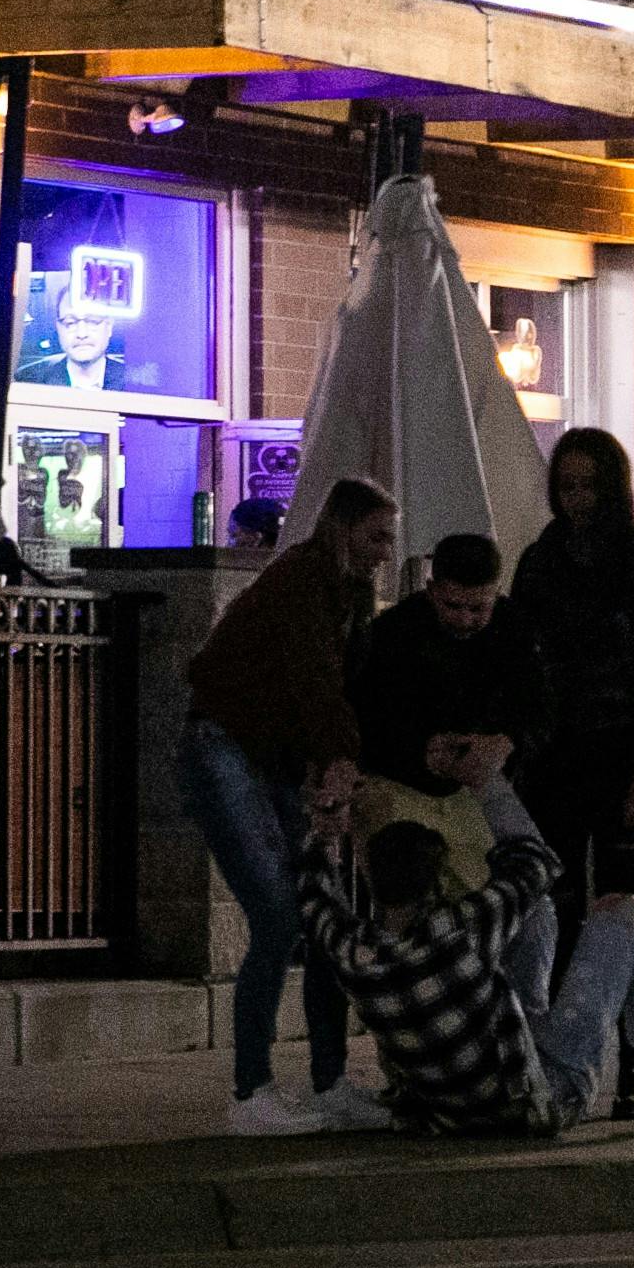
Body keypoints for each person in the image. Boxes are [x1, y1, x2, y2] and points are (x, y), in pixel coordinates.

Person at [180, 476, 399, 1136]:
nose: (386, 550)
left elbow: (345, 689)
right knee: (278, 917)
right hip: (225, 745)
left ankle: (330, 1082)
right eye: (377, 536)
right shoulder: (302, 584)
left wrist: (338, 770)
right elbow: (314, 684)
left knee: (318, 912)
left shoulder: (348, 595)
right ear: (342, 528)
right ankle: (251, 1091)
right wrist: (335, 765)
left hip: (269, 757)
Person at [295, 798, 634, 1136]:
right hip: (542, 1100)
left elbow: (313, 895)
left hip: (448, 1115)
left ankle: (540, 1043)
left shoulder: (351, 951)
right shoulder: (458, 929)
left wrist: (325, 833)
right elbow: (536, 861)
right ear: (434, 888)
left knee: (539, 914)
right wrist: (485, 777)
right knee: (625, 913)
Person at [509, 428, 634, 1118]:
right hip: (552, 759)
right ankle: (568, 1058)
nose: (577, 499)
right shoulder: (542, 561)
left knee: (619, 913)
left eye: (589, 485)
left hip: (620, 756)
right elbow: (523, 663)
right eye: (567, 485)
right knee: (551, 913)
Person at [351, 532, 549, 896]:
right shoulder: (394, 633)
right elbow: (366, 720)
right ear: (431, 589)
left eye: (477, 609)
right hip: (401, 788)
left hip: (476, 789)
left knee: (525, 897)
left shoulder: (515, 629)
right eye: (452, 606)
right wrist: (420, 752)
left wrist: (506, 742)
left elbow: (539, 706)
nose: (463, 620)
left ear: (496, 591)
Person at [15, 289, 126, 390]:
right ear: (58, 327)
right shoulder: (29, 381)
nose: (82, 334)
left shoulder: (134, 382)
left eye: (92, 321)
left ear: (109, 326)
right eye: (70, 323)